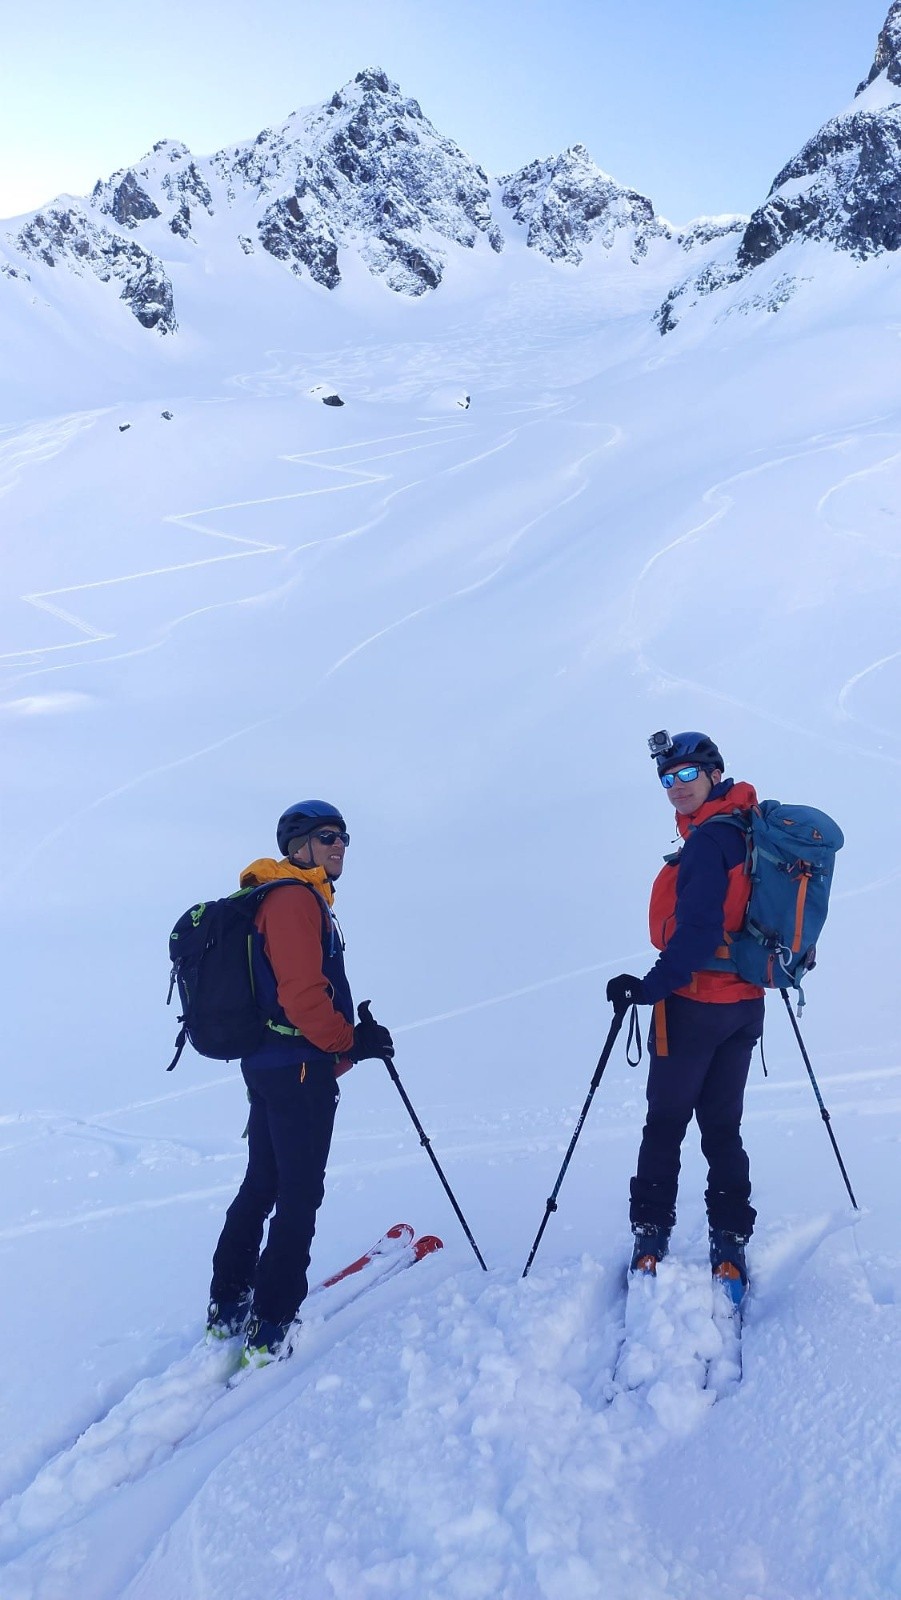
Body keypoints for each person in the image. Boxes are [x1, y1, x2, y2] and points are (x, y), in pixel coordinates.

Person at [206, 800, 394, 1368]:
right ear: (297, 846)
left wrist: (342, 1043)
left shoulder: (281, 897)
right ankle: (271, 1326)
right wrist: (348, 1042)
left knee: (264, 1184)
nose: (338, 846)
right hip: (296, 1070)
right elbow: (301, 995)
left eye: (342, 837)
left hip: (272, 1065)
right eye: (325, 836)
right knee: (297, 1193)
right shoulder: (292, 899)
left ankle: (228, 1305)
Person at [606, 732, 765, 1297]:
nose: (675, 787)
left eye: (686, 774)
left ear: (714, 773)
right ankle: (729, 1240)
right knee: (723, 1127)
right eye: (666, 779)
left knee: (666, 1122)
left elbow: (695, 935)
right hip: (747, 1005)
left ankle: (650, 1235)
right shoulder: (750, 829)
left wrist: (649, 989)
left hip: (695, 1006)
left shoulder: (706, 842)